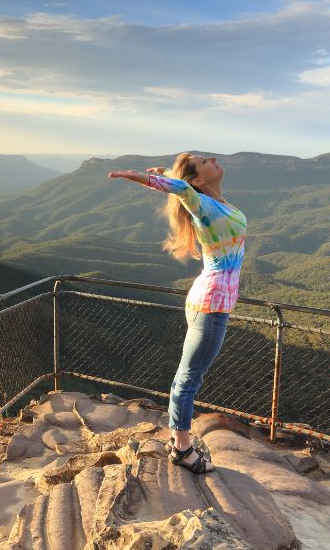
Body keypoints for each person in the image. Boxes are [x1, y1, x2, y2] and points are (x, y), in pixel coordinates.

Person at [108, 152, 246, 474]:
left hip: (212, 302)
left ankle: (178, 440)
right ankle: (181, 449)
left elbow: (185, 185)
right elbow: (182, 190)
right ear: (197, 179)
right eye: (204, 161)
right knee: (189, 377)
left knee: (191, 375)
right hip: (209, 304)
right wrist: (143, 178)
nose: (213, 158)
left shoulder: (217, 202)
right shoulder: (202, 205)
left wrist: (170, 173)